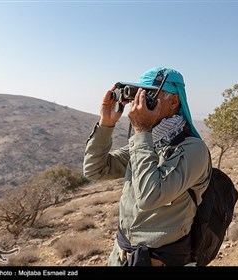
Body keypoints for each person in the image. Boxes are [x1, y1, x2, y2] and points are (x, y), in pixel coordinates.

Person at [83, 67, 212, 266]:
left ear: (174, 102)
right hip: (121, 255)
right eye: (139, 94)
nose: (140, 102)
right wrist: (106, 124)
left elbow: (150, 197)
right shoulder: (149, 143)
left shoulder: (193, 149)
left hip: (161, 260)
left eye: (150, 95)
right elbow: (95, 169)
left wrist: (142, 131)